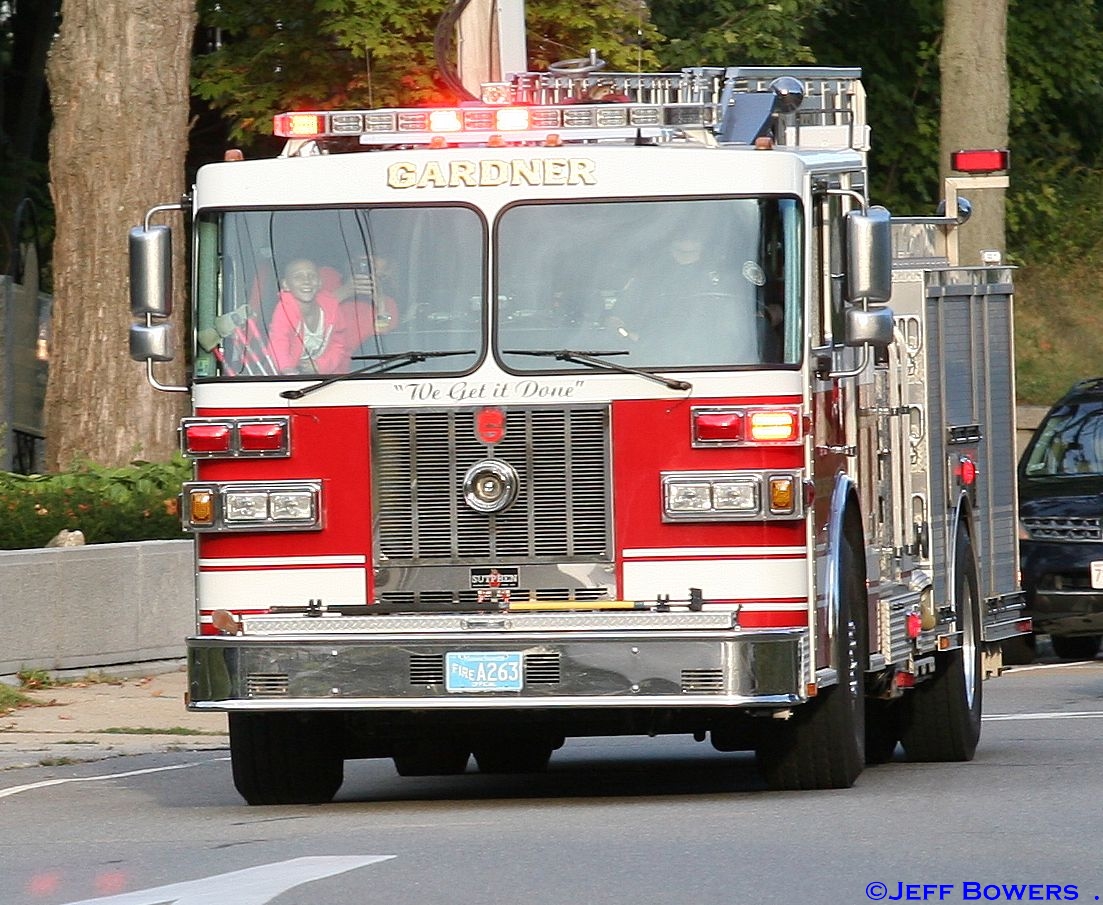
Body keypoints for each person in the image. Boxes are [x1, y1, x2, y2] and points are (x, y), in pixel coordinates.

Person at [267, 258, 351, 374]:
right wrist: (287, 369)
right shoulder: (284, 309)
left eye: (312, 276)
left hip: (328, 376)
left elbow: (339, 343)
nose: (306, 281)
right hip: (290, 375)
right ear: (286, 285)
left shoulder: (331, 306)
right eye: (298, 277)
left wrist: (320, 366)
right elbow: (278, 341)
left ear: (320, 282)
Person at [333, 254, 401, 354]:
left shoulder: (388, 304)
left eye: (374, 270)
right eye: (363, 264)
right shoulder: (328, 288)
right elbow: (313, 319)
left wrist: (381, 304)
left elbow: (382, 342)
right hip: (330, 362)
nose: (367, 272)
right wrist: (344, 292)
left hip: (367, 361)